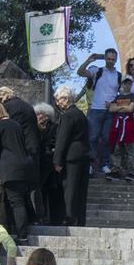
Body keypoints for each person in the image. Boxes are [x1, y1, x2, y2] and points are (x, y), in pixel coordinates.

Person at [0, 97, 39, 236]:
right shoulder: (15, 124)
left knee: (16, 203)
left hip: (11, 169)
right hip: (25, 166)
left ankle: (22, 235)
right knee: (22, 199)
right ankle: (26, 227)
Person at [77, 47, 121, 175]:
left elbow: (120, 92)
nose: (111, 61)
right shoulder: (97, 71)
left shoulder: (118, 75)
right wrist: (88, 61)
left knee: (107, 138)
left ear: (116, 60)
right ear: (105, 59)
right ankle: (90, 164)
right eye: (108, 59)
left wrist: (114, 104)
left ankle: (104, 164)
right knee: (93, 137)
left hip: (110, 111)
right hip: (96, 109)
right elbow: (80, 72)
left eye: (113, 59)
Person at [51, 84, 91, 226]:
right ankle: (80, 219)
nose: (57, 103)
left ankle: (70, 217)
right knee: (81, 189)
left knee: (70, 188)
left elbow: (63, 139)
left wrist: (57, 161)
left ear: (65, 99)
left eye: (58, 100)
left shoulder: (67, 115)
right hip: (84, 156)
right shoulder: (80, 114)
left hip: (71, 157)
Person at [106, 79, 134, 181]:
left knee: (130, 149)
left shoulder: (133, 96)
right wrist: (125, 106)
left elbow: (131, 109)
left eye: (130, 83)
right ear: (122, 84)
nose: (127, 85)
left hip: (128, 125)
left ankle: (132, 171)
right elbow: (111, 109)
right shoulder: (118, 97)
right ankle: (115, 170)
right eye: (126, 83)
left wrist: (118, 106)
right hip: (118, 126)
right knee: (116, 149)